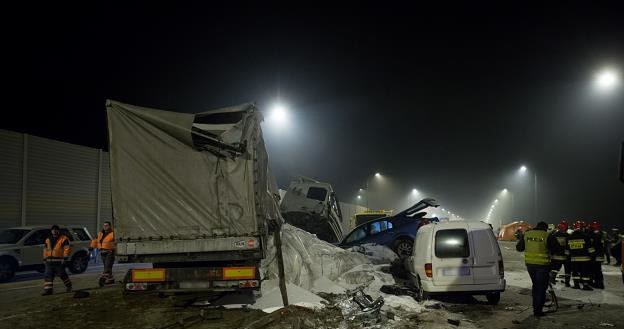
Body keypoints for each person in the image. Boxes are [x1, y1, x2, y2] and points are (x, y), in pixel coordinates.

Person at [516, 221, 551, 317]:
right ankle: (537, 310)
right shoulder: (547, 235)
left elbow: (519, 248)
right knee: (541, 287)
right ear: (545, 228)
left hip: (530, 265)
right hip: (542, 265)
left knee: (536, 285)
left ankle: (536, 306)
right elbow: (556, 249)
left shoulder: (527, 234)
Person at [41, 225, 72, 295]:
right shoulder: (48, 239)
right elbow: (45, 250)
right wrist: (44, 258)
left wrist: (65, 258)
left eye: (56, 230)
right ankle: (48, 291)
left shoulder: (64, 238)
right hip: (49, 261)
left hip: (59, 261)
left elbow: (67, 249)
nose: (54, 231)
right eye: (53, 230)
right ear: (51, 231)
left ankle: (69, 286)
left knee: (62, 274)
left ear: (58, 230)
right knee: (48, 275)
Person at [566, 220, 594, 290]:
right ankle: (585, 285)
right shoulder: (586, 237)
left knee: (575, 272)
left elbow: (567, 251)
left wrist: (568, 258)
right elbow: (590, 248)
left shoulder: (569, 237)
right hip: (585, 258)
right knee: (585, 272)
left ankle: (576, 285)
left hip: (574, 259)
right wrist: (592, 257)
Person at [90, 221, 116, 287]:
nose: (105, 226)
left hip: (110, 252)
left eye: (107, 225)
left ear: (110, 226)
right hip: (102, 252)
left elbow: (117, 243)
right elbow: (95, 240)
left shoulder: (113, 234)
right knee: (107, 267)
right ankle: (111, 279)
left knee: (107, 268)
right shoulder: (100, 233)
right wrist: (91, 247)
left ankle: (102, 281)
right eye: (104, 225)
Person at [548, 220, 570, 287]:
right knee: (567, 270)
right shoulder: (568, 236)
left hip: (555, 256)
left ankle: (551, 280)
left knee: (554, 269)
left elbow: (551, 245)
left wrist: (551, 253)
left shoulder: (554, 235)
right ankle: (567, 283)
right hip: (566, 256)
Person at [588, 220, 605, 289]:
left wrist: (591, 255)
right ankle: (600, 283)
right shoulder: (601, 233)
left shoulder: (592, 234)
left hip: (594, 256)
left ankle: (596, 283)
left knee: (594, 270)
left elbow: (592, 245)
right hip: (600, 255)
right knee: (598, 270)